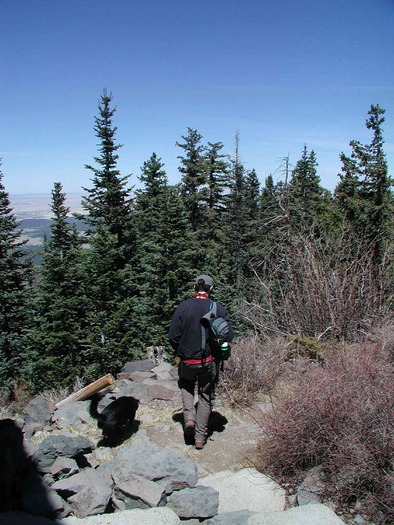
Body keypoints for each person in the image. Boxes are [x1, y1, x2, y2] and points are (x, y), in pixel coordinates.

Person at [168, 274, 235, 449]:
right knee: (205, 396)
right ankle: (200, 438)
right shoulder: (217, 308)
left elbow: (173, 336)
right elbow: (229, 335)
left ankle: (189, 418)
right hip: (209, 361)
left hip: (188, 360)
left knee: (186, 386)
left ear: (194, 287)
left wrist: (181, 352)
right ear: (211, 289)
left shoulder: (183, 307)